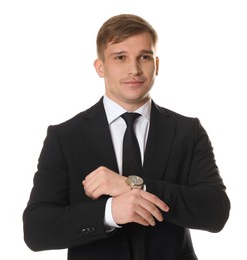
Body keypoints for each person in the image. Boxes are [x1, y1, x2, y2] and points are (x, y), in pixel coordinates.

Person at [23, 14, 230, 260]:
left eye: (144, 57)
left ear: (157, 65)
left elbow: (215, 212)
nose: (134, 69)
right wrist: (109, 212)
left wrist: (134, 185)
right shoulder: (65, 136)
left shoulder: (187, 131)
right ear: (101, 67)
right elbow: (36, 230)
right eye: (120, 57)